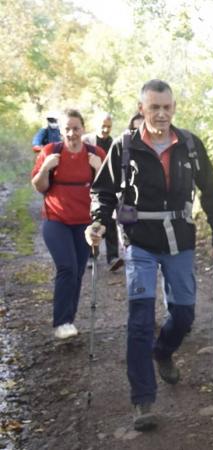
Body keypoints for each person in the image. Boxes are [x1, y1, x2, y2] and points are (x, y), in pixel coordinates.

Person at [85, 79, 213, 431]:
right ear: (142, 109)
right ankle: (142, 400)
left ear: (174, 107)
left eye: (166, 107)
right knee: (139, 320)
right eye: (154, 108)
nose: (161, 114)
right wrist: (99, 223)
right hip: (140, 243)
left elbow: (211, 191)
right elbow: (103, 191)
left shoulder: (190, 145)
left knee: (183, 314)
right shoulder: (124, 146)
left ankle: (163, 351)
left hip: (179, 241)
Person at [30, 109, 107, 339]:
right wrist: (45, 168)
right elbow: (39, 186)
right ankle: (61, 322)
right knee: (67, 267)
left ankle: (68, 321)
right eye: (67, 129)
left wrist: (99, 168)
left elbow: (107, 190)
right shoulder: (50, 152)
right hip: (56, 219)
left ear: (83, 129)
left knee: (78, 271)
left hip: (84, 223)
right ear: (61, 131)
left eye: (76, 128)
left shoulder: (96, 153)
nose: (72, 134)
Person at [82, 112, 120, 267]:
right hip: (89, 187)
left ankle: (113, 258)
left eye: (108, 127)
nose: (105, 130)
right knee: (94, 220)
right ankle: (92, 255)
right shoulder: (87, 141)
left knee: (111, 221)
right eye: (103, 126)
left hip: (108, 188)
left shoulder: (114, 143)